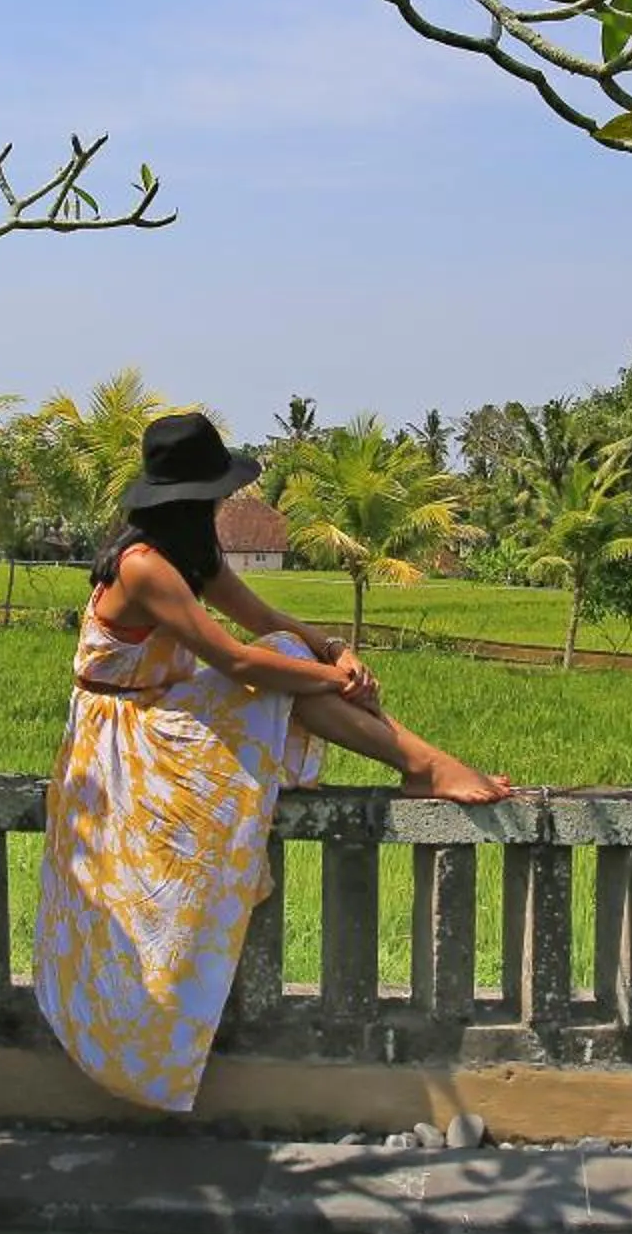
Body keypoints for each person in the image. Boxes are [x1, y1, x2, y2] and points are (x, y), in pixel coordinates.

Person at [32, 409, 514, 1112]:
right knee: (281, 678)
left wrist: (332, 651)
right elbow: (230, 656)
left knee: (292, 659)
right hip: (122, 731)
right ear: (197, 498)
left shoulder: (189, 556)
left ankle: (422, 762)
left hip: (159, 707)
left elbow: (265, 622)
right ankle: (423, 764)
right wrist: (330, 679)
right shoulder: (145, 567)